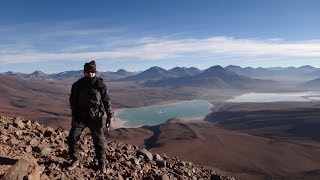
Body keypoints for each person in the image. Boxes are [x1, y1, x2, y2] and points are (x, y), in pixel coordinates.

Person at [67, 60, 113, 173]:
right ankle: (75, 159)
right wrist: (75, 114)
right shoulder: (77, 85)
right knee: (73, 137)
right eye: (88, 71)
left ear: (95, 72)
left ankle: (101, 164)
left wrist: (109, 116)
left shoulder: (100, 85)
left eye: (93, 71)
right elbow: (72, 100)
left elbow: (107, 101)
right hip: (80, 116)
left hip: (95, 117)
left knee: (99, 141)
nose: (91, 74)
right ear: (84, 72)